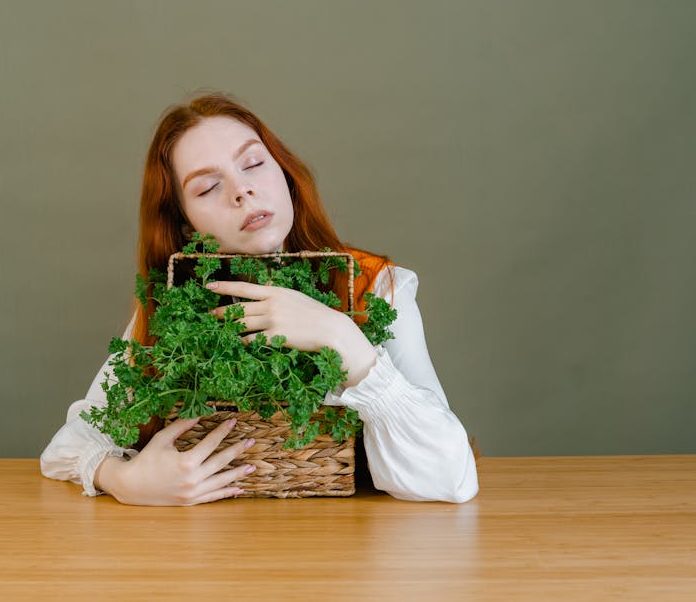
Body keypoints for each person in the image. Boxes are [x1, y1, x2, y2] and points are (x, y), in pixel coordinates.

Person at [40, 92, 479, 506]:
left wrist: (343, 338)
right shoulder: (175, 304)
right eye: (208, 188)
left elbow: (452, 477)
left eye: (253, 164)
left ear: (284, 174)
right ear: (188, 225)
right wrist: (122, 480)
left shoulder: (375, 285)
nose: (241, 191)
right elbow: (73, 441)